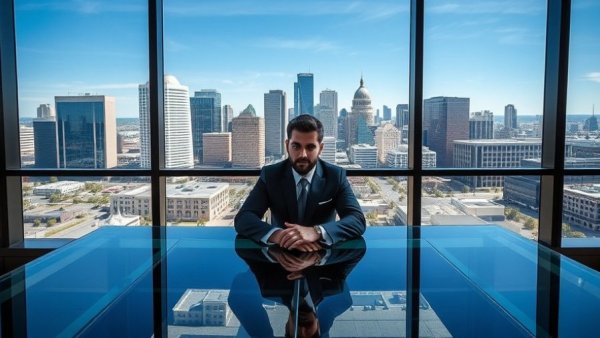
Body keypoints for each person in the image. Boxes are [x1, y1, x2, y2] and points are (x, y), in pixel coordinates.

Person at [234, 114, 366, 251]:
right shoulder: (271, 175)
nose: (302, 154)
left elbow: (357, 220)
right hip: (281, 256)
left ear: (320, 148)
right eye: (296, 146)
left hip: (323, 257)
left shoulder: (335, 176)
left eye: (310, 147)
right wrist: (279, 235)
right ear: (287, 145)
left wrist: (317, 232)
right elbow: (244, 218)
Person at [228, 237, 366, 338]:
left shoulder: (269, 287)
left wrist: (272, 253)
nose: (301, 330)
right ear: (319, 327)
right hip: (319, 221)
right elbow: (358, 246)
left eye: (295, 333)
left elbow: (242, 245)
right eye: (309, 334)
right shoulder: (336, 293)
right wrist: (316, 261)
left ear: (286, 326)